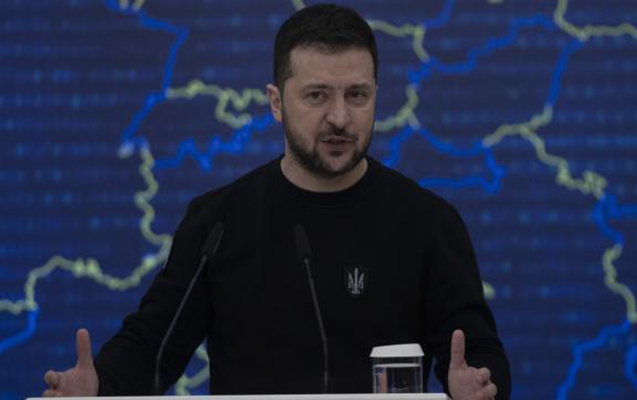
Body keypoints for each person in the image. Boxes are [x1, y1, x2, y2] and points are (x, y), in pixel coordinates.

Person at [43, 3, 511, 399]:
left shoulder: (428, 222)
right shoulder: (217, 224)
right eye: (317, 96)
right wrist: (99, 386)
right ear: (275, 102)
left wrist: (480, 385)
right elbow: (153, 347)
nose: (339, 117)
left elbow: (477, 354)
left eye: (357, 95)